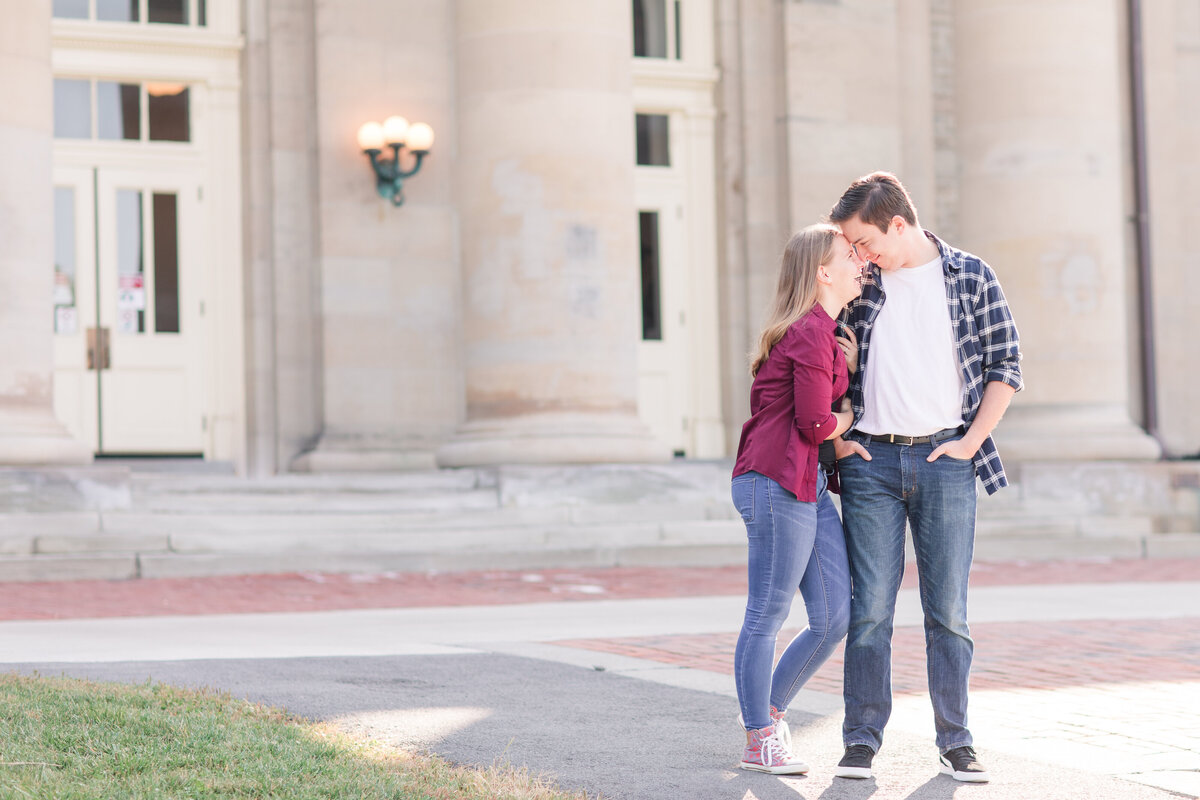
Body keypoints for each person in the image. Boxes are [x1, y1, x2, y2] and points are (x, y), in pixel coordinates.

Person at [827, 172, 1023, 783]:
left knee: (947, 612)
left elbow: (1006, 363)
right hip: (872, 464)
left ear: (898, 225)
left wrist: (970, 442)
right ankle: (861, 739)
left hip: (945, 460)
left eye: (863, 242)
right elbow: (821, 355)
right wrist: (839, 441)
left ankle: (956, 740)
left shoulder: (969, 275)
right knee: (870, 611)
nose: (858, 256)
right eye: (852, 247)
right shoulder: (863, 285)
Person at [730, 223, 865, 774]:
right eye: (848, 254)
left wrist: (847, 372)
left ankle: (771, 714)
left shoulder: (822, 333)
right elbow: (815, 423)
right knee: (767, 611)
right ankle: (759, 737)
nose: (861, 261)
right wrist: (849, 419)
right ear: (822, 272)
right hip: (775, 480)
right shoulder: (810, 332)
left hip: (804, 483)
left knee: (834, 615)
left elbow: (818, 413)